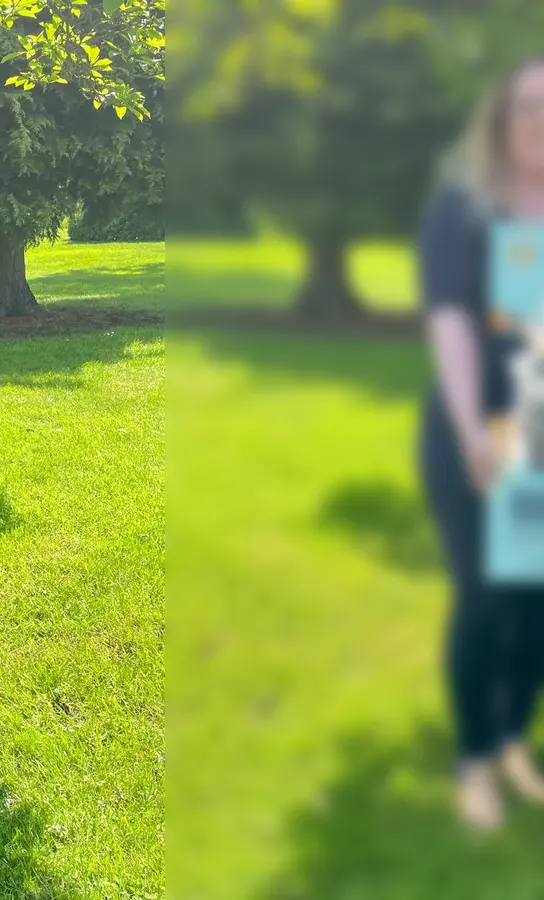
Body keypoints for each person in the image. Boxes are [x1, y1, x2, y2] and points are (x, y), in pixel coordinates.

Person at [416, 56, 544, 832]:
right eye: (528, 107)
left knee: (538, 605)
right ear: (502, 118)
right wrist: (471, 433)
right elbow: (454, 324)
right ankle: (472, 758)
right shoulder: (464, 208)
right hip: (482, 436)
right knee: (487, 599)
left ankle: (508, 741)